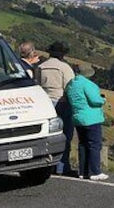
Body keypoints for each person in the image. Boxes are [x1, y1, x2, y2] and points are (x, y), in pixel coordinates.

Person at [37, 41, 77, 176]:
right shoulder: (64, 68)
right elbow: (71, 87)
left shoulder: (41, 67)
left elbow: (37, 85)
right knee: (66, 135)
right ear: (62, 54)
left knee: (50, 135)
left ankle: (49, 164)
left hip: (47, 103)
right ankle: (62, 166)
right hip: (63, 102)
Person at [67, 63, 108, 181]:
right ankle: (95, 171)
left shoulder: (71, 84)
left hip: (77, 117)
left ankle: (83, 171)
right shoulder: (88, 84)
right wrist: (103, 100)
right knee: (95, 144)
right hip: (91, 118)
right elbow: (95, 100)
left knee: (83, 144)